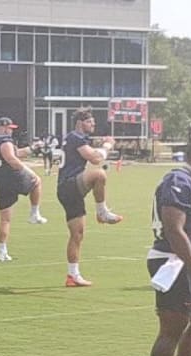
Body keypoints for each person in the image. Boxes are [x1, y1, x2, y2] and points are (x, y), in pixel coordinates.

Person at [135, 138, 191, 356]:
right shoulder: (179, 181)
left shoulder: (189, 183)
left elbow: (188, 233)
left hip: (183, 258)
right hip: (171, 262)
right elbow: (174, 231)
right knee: (172, 329)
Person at [57, 107, 122, 287]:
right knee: (99, 174)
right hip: (69, 184)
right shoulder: (75, 136)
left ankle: (72, 276)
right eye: (89, 121)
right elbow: (94, 158)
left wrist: (101, 147)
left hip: (67, 189)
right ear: (79, 123)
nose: (93, 124)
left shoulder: (75, 139)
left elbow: (90, 153)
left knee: (77, 234)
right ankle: (102, 212)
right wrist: (108, 145)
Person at [0, 117, 47, 262]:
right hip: (11, 176)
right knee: (37, 182)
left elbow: (17, 153)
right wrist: (28, 171)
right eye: (9, 128)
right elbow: (11, 159)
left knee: (5, 219)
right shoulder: (5, 141)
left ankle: (2, 250)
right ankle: (34, 213)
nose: (11, 131)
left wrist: (33, 148)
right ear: (3, 128)